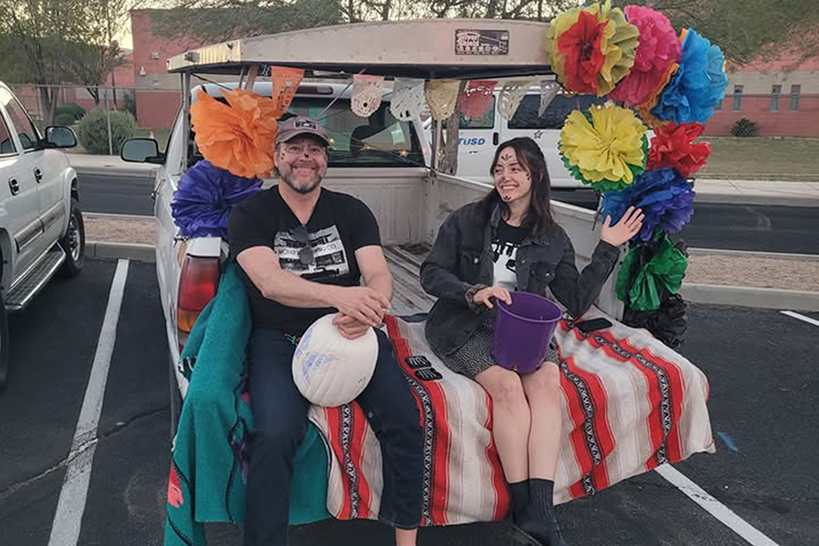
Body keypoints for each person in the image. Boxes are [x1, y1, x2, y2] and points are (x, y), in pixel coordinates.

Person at [419, 137, 644, 546]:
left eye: (516, 168)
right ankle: (529, 511)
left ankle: (538, 512)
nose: (505, 176)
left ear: (535, 175)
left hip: (524, 329)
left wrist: (608, 248)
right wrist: (473, 291)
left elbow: (574, 303)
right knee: (507, 388)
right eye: (500, 168)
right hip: (465, 322)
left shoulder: (553, 237)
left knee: (546, 387)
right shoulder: (467, 220)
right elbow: (431, 273)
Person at [228, 117, 423, 546]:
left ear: (324, 160)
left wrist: (368, 308)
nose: (305, 158)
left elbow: (378, 275)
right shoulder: (251, 214)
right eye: (294, 148)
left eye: (314, 150)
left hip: (353, 334)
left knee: (406, 421)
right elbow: (269, 283)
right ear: (277, 157)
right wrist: (340, 298)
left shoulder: (352, 211)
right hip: (280, 339)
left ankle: (406, 540)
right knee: (275, 434)